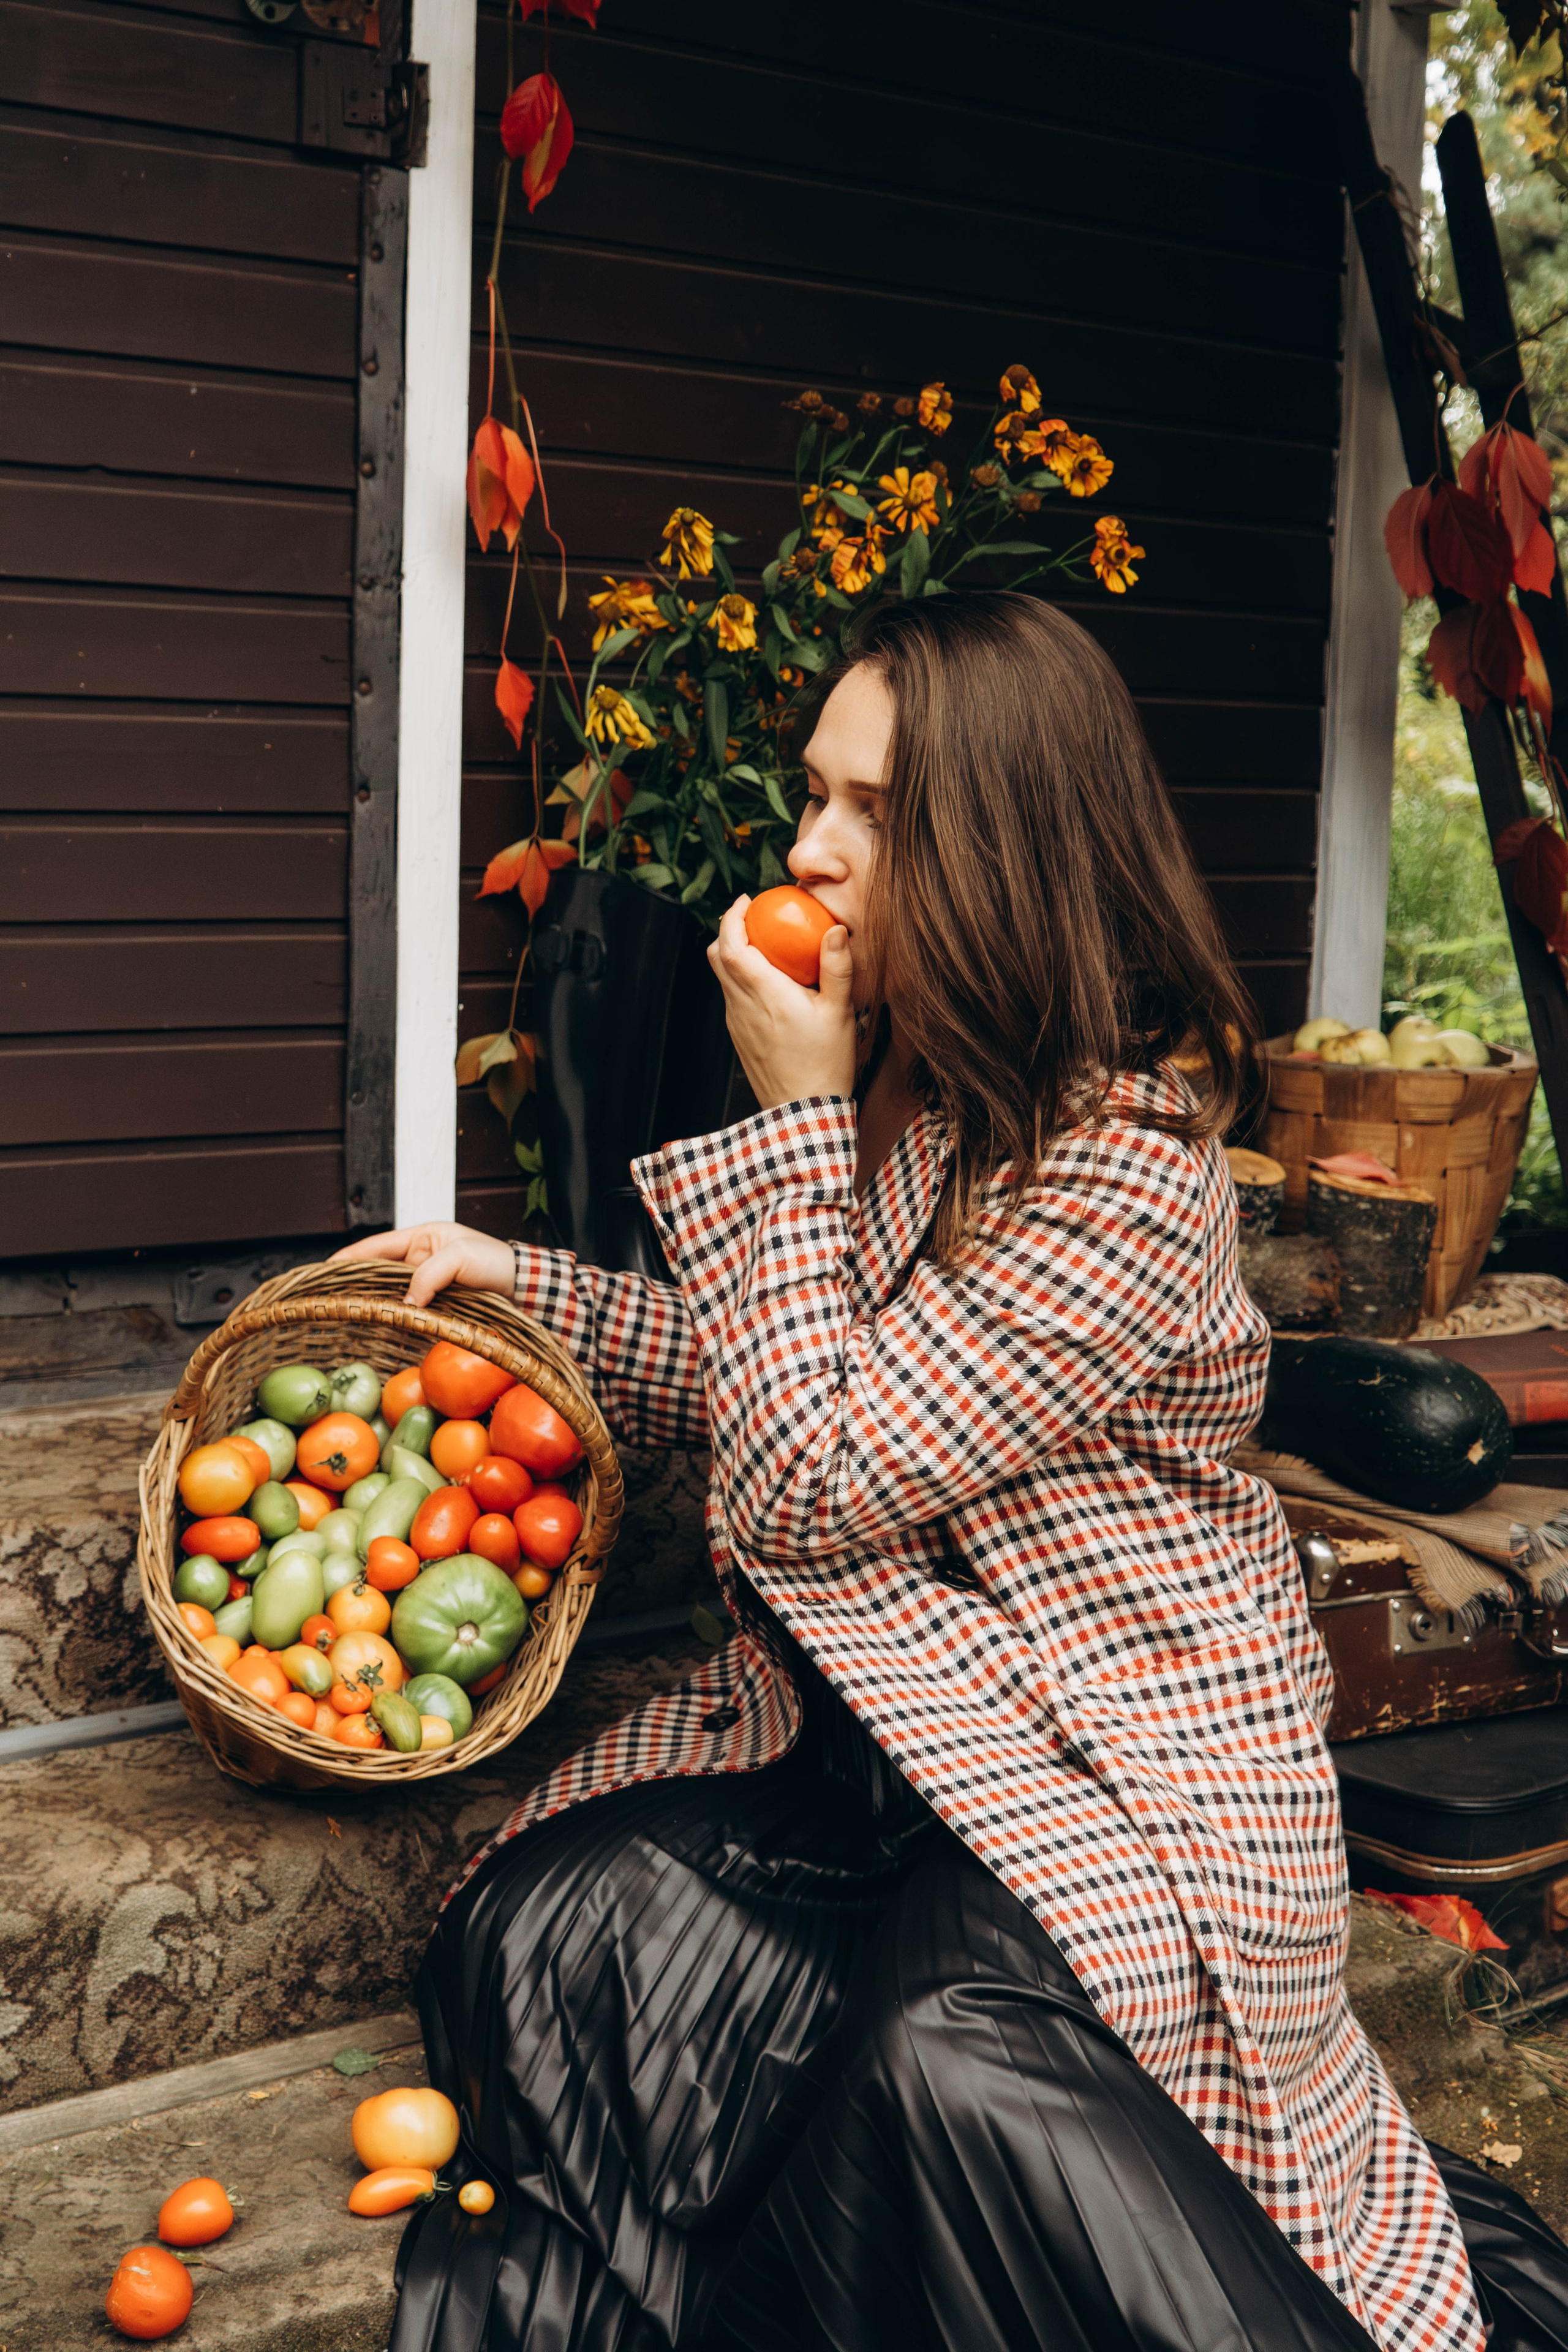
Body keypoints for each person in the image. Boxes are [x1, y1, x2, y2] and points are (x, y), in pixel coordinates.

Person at [341, 592, 1568, 2352]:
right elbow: (804, 1380)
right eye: (811, 797)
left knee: (940, 2079)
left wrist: (783, 1129)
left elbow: (822, 1472)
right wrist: (515, 1286)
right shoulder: (920, 1100)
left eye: (875, 814)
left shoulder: (1128, 1174)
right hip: (911, 1744)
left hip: (1117, 1778)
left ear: (1006, 851)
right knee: (545, 1930)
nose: (808, 852)